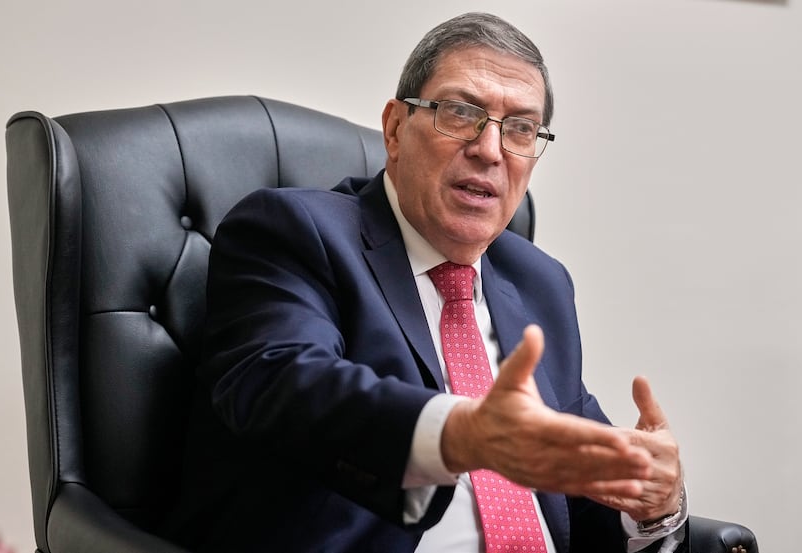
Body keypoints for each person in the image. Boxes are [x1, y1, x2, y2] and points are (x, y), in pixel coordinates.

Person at [163, 12, 686, 553]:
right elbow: (287, 384)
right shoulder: (297, 231)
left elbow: (584, 494)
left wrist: (652, 506)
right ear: (395, 128)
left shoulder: (540, 282)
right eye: (461, 113)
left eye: (520, 129)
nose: (490, 149)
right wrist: (460, 435)